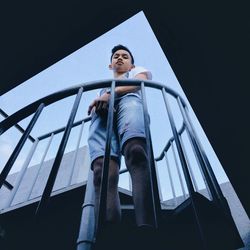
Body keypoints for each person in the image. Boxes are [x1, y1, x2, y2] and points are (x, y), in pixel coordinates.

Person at [87, 44, 155, 232]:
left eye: (125, 56)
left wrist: (109, 94)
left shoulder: (137, 72)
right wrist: (103, 100)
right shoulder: (99, 89)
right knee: (101, 171)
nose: (119, 58)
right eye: (116, 56)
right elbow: (93, 108)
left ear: (132, 65)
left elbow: (138, 83)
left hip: (129, 102)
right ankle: (109, 235)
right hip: (101, 116)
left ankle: (146, 228)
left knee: (136, 152)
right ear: (110, 65)